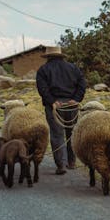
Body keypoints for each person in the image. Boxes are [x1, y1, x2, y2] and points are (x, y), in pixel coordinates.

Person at [36, 46, 86, 175]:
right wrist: (76, 99)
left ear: (48, 57)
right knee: (72, 133)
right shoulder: (73, 68)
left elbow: (43, 89)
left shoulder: (43, 70)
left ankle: (61, 165)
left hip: (55, 106)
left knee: (57, 134)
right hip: (71, 105)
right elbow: (82, 83)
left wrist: (52, 101)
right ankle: (72, 162)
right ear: (61, 56)